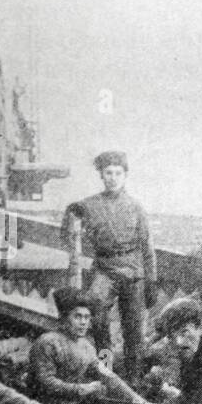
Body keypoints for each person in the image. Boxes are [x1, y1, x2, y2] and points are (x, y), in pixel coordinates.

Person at [61, 150, 159, 380]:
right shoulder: (90, 204)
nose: (113, 177)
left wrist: (151, 281)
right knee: (99, 325)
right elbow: (69, 225)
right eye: (108, 173)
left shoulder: (136, 207)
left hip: (133, 271)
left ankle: (134, 378)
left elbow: (148, 246)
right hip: (104, 269)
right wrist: (72, 213)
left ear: (125, 176)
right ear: (102, 176)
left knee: (133, 330)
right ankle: (106, 372)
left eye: (118, 173)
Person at [28, 287, 147, 404]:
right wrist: (82, 389)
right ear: (65, 318)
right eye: (77, 316)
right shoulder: (48, 342)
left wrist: (134, 398)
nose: (83, 322)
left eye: (87, 317)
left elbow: (107, 375)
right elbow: (45, 383)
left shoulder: (87, 347)